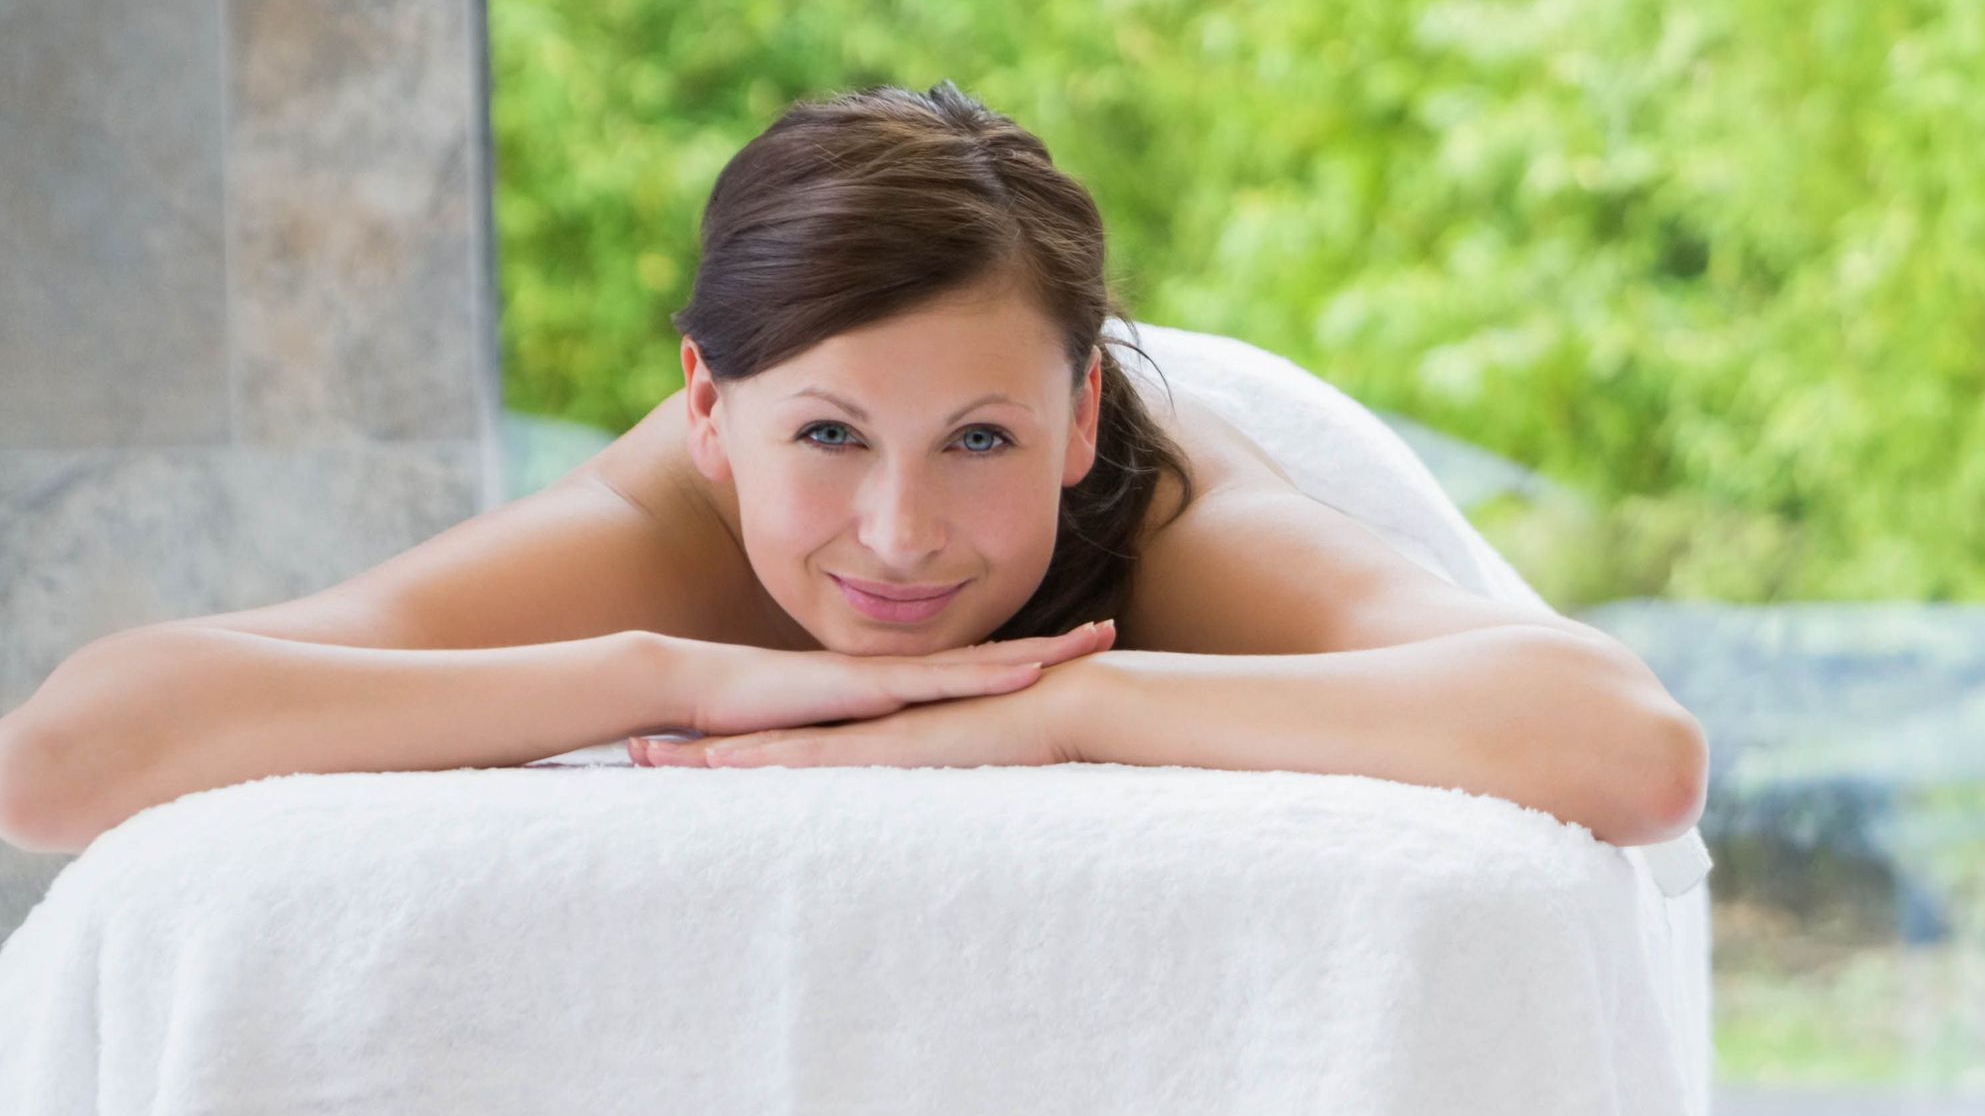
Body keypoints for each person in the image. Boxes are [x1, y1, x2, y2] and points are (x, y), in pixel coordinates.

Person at [0, 84, 1708, 857]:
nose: (900, 535)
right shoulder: (662, 527)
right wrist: (673, 674)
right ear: (709, 410)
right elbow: (62, 763)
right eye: (828, 436)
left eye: (981, 440)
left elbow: (1628, 747)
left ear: (1076, 423)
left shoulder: (1168, 510)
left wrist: (1068, 709)